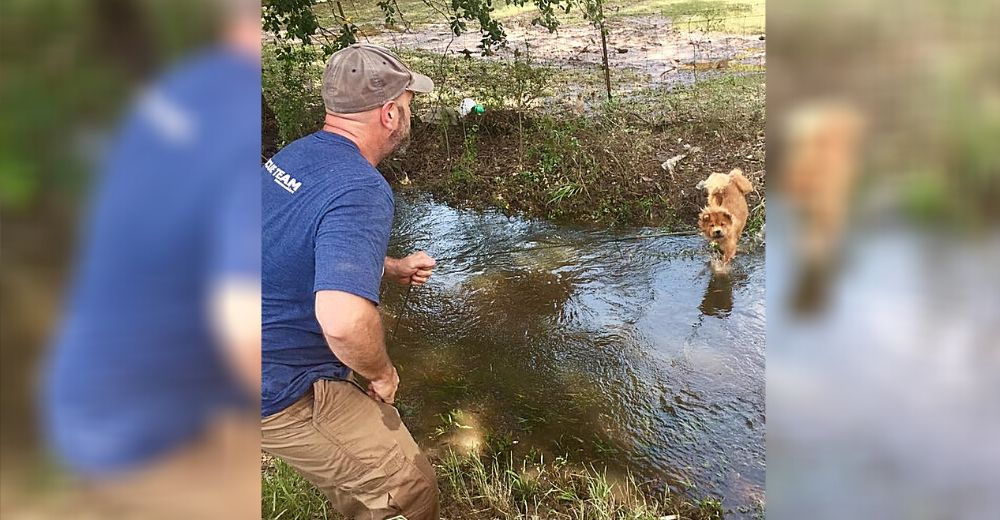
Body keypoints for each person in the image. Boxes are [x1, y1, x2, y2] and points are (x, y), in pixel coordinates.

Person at [42, 1, 262, 517]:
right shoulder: (238, 123)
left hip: (89, 401)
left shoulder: (183, 89)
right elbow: (245, 331)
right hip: (148, 434)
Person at [261, 44, 440, 519]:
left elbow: (298, 242)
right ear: (387, 115)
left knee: (359, 483)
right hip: (278, 384)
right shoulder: (361, 187)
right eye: (406, 105)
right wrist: (381, 374)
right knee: (410, 487)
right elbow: (341, 321)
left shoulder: (295, 157)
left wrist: (389, 265)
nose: (408, 114)